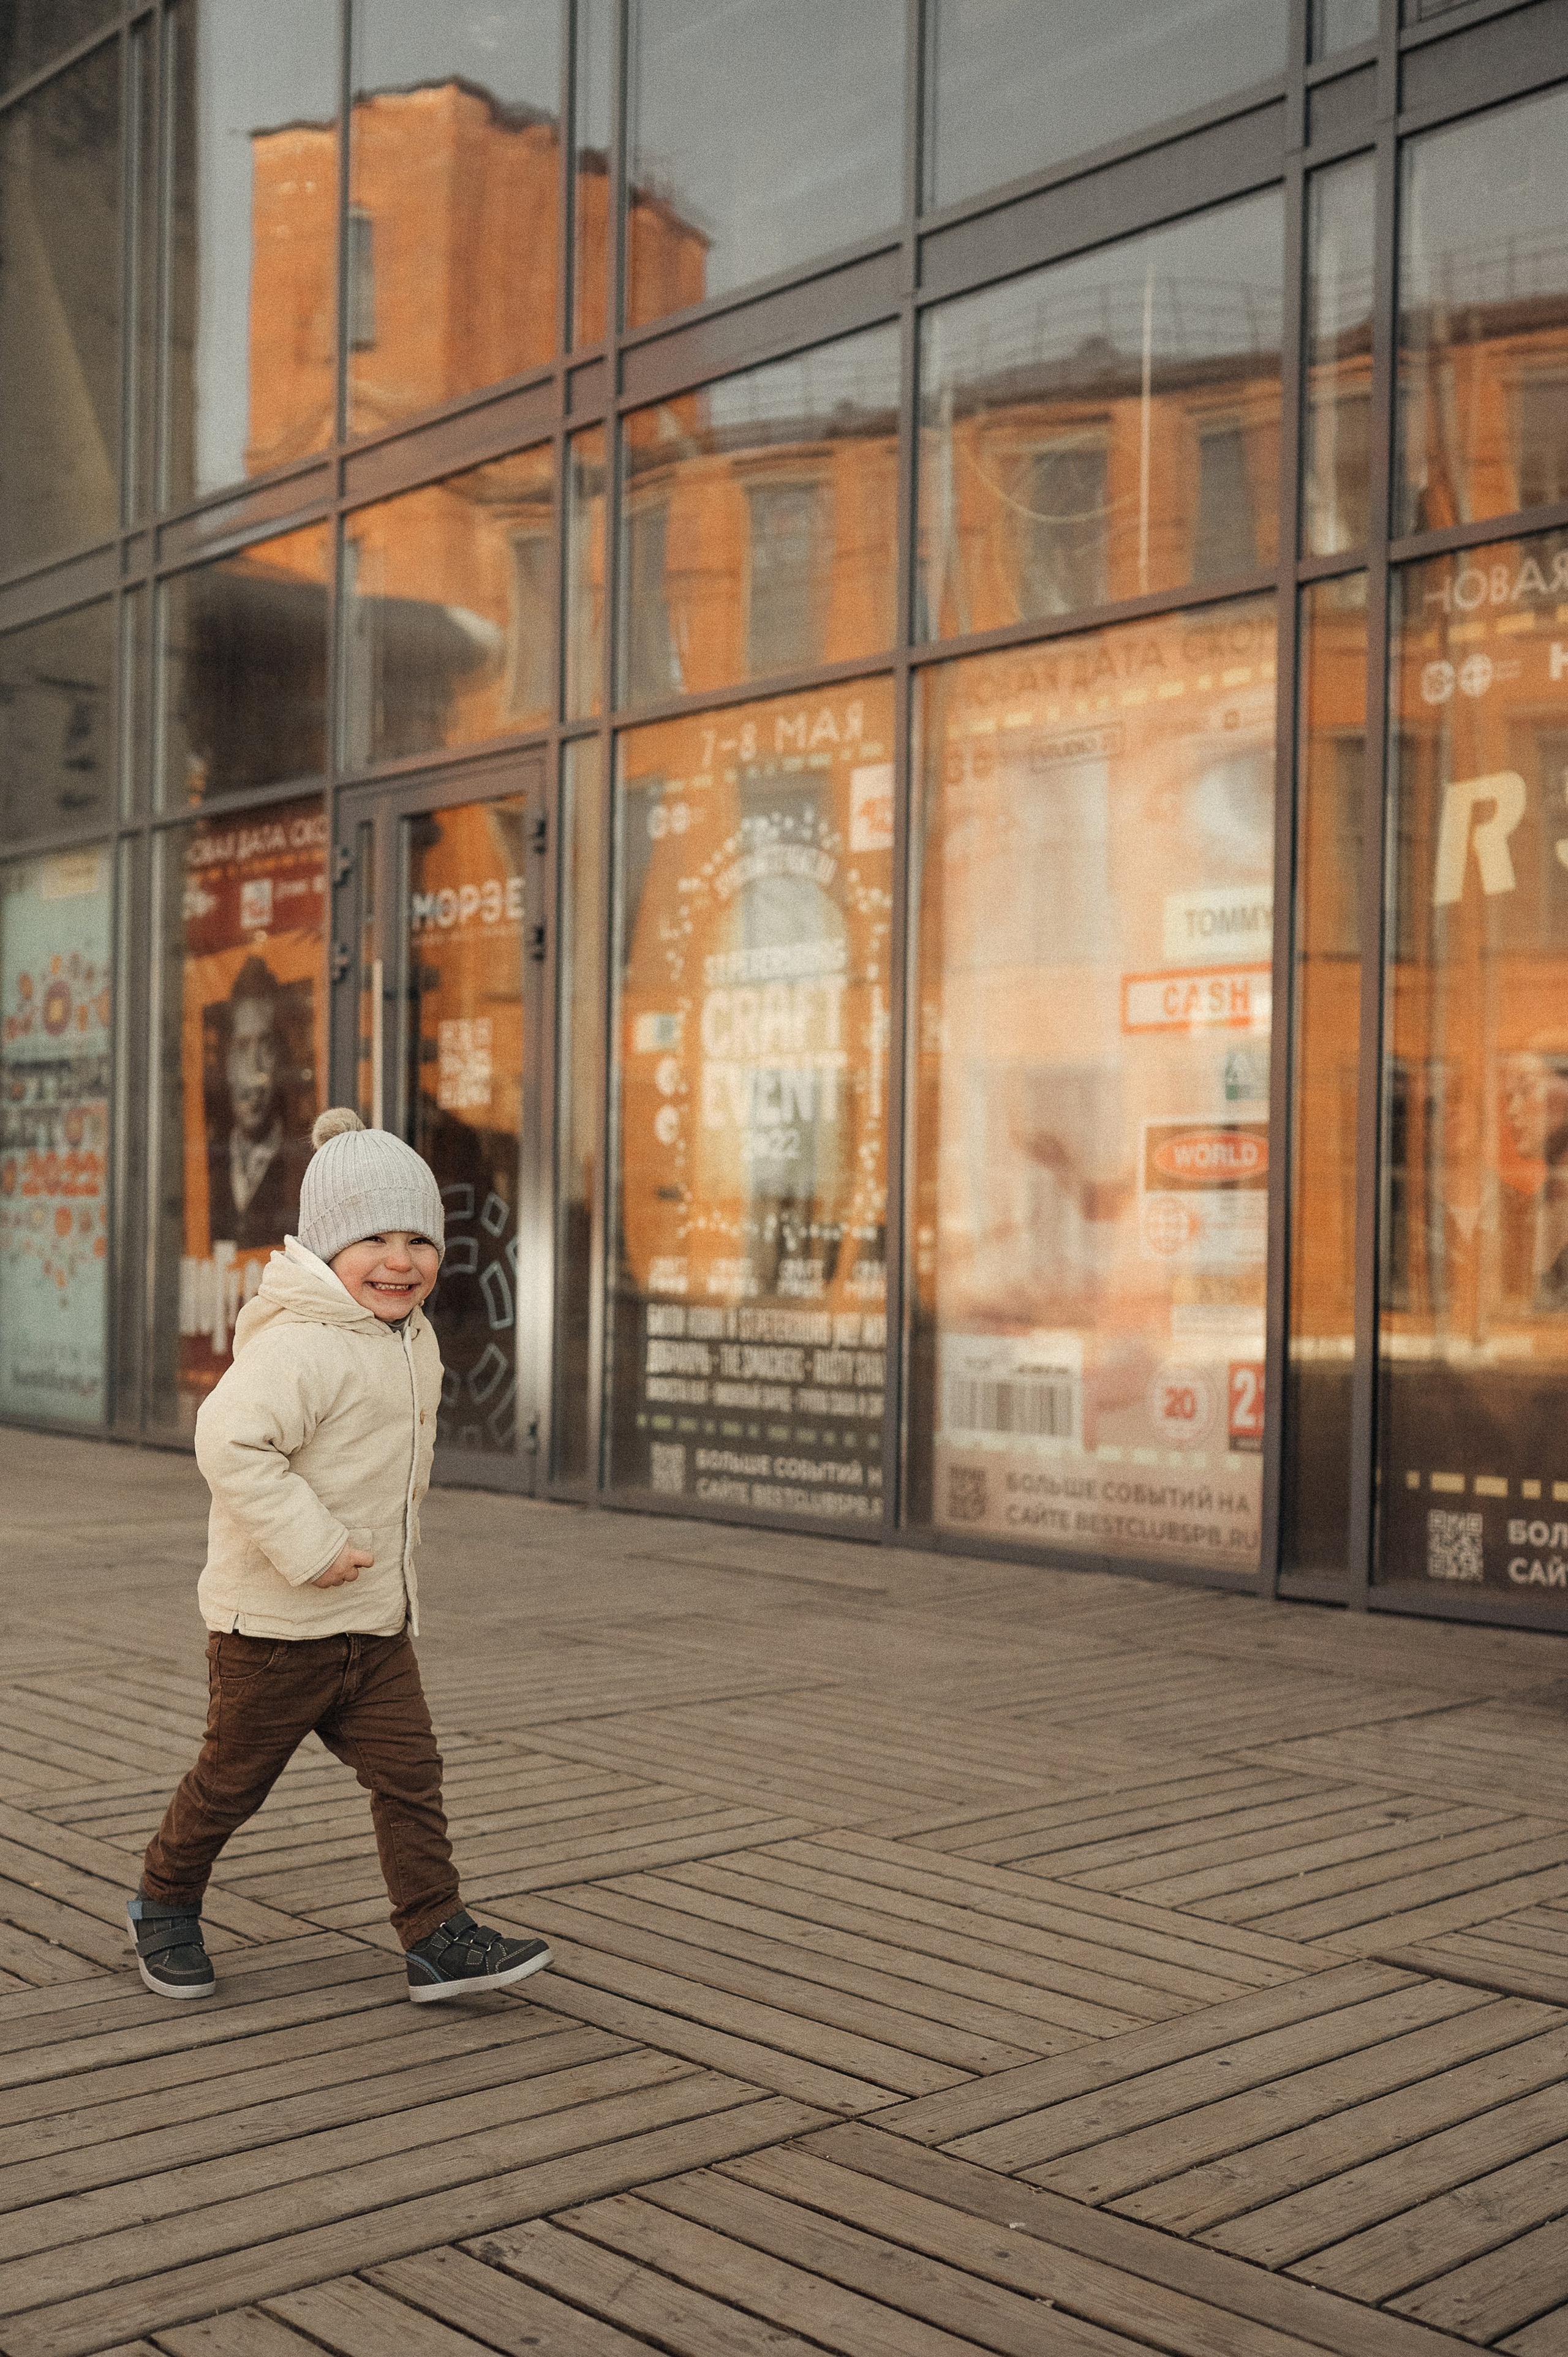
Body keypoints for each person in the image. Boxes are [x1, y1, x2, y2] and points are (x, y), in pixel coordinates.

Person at [126, 1106, 551, 2004]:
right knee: (231, 1783)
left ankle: (435, 1933)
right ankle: (164, 1898)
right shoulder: (301, 1344)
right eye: (373, 1240)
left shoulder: (409, 1334)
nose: (400, 1261)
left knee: (411, 1776)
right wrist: (312, 1545)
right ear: (324, 1247)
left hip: (373, 1623)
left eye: (419, 1240)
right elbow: (228, 1440)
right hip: (274, 1630)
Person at [206, 956, 311, 1251]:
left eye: (267, 1049)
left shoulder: (305, 1165)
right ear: (225, 1061)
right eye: (241, 1049)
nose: (254, 1075)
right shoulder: (202, 1167)